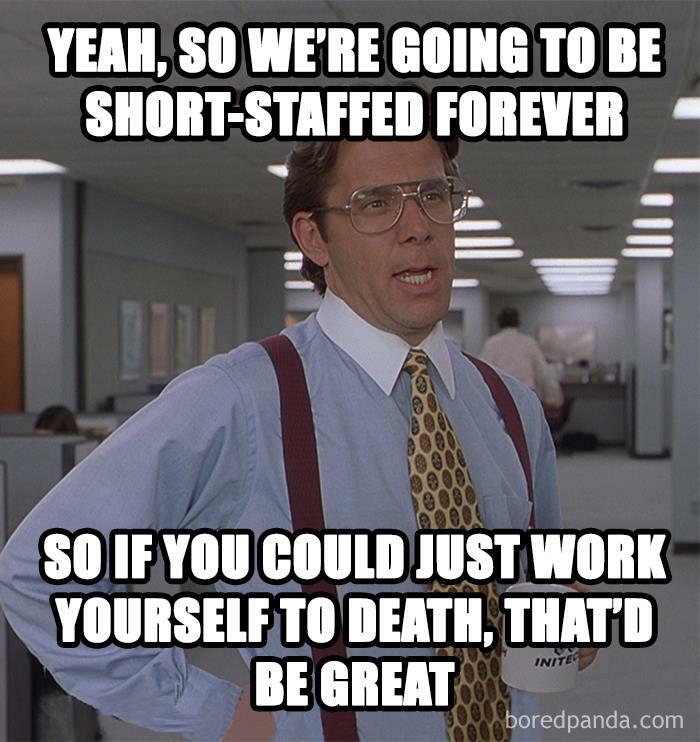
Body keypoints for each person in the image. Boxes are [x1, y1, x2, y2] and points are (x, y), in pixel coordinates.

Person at [0, 137, 596, 741]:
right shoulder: (239, 400)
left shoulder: (510, 406)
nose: (418, 226)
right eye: (375, 203)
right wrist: (209, 708)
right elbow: (38, 572)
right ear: (314, 238)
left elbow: (536, 579)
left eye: (433, 194)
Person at [480, 308, 564, 411]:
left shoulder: (492, 343)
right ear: (518, 323)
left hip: (501, 397)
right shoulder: (529, 343)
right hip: (526, 394)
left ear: (499, 323)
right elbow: (543, 373)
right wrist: (553, 399)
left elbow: (482, 373)